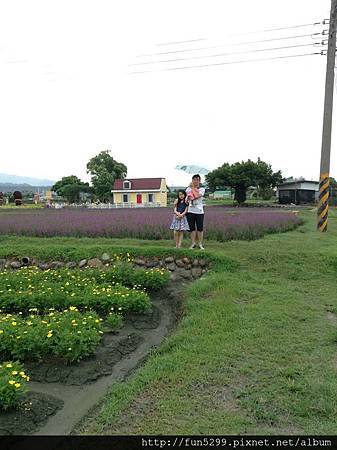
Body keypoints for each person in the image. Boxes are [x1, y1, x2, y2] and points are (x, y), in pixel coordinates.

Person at [186, 174, 205, 250]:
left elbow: (197, 196)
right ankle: (193, 243)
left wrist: (193, 188)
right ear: (192, 180)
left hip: (199, 211)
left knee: (200, 228)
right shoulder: (188, 189)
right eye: (194, 179)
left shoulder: (202, 189)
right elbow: (189, 198)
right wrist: (191, 195)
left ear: (199, 181)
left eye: (197, 180)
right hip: (190, 211)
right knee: (192, 228)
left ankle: (200, 244)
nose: (196, 181)